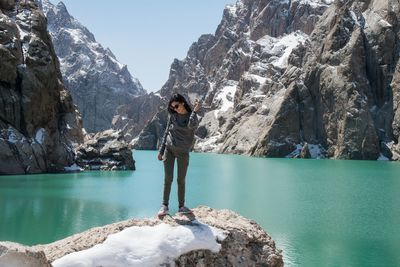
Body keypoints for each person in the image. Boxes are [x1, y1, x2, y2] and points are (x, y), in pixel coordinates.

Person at [157, 93, 200, 217]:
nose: (175, 109)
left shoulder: (192, 116)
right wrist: (161, 151)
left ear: (182, 102)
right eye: (172, 107)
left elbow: (191, 126)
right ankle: (164, 206)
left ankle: (181, 207)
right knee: (168, 179)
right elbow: (166, 132)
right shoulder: (173, 116)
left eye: (176, 106)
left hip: (183, 152)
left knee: (181, 180)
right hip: (169, 150)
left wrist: (195, 111)